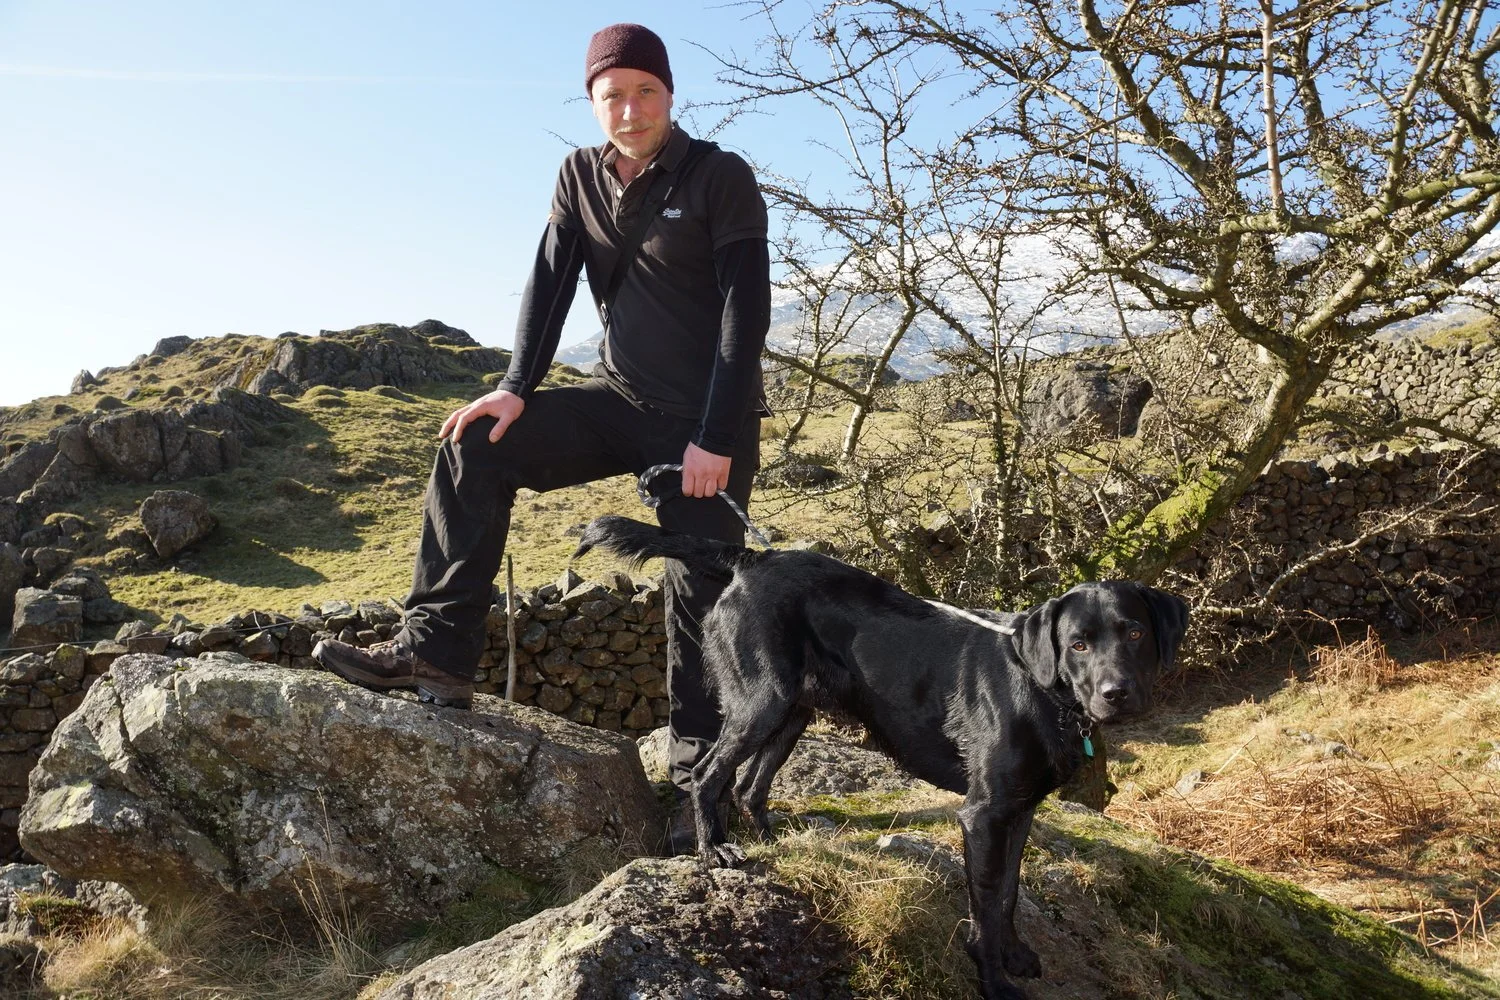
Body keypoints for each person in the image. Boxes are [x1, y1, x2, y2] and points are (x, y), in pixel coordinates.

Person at [312, 23, 770, 851]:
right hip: (619, 399)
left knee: (699, 588)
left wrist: (716, 437)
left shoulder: (719, 176)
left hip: (705, 424)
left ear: (670, 95)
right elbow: (551, 281)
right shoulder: (578, 176)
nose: (630, 110)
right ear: (592, 102)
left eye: (646, 92)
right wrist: (514, 389)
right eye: (612, 95)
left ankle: (702, 785)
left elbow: (747, 313)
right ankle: (434, 653)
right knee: (474, 446)